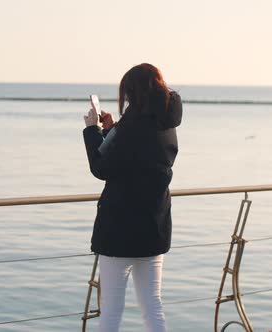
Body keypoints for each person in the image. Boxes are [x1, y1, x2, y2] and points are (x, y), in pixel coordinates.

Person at [82, 63, 182, 332]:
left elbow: (102, 167)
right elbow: (135, 158)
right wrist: (113, 129)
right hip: (153, 227)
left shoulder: (133, 126)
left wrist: (92, 130)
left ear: (133, 93)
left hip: (119, 230)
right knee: (153, 307)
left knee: (111, 312)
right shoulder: (165, 124)